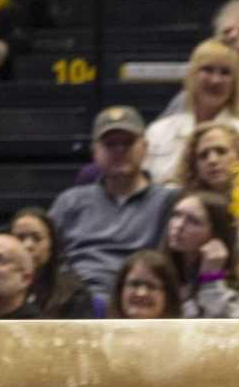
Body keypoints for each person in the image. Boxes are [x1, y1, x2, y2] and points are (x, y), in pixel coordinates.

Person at [46, 105, 173, 297]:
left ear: (145, 147)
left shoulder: (168, 201)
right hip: (78, 299)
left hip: (140, 298)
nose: (119, 150)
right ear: (94, 152)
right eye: (110, 144)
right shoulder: (69, 202)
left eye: (127, 143)